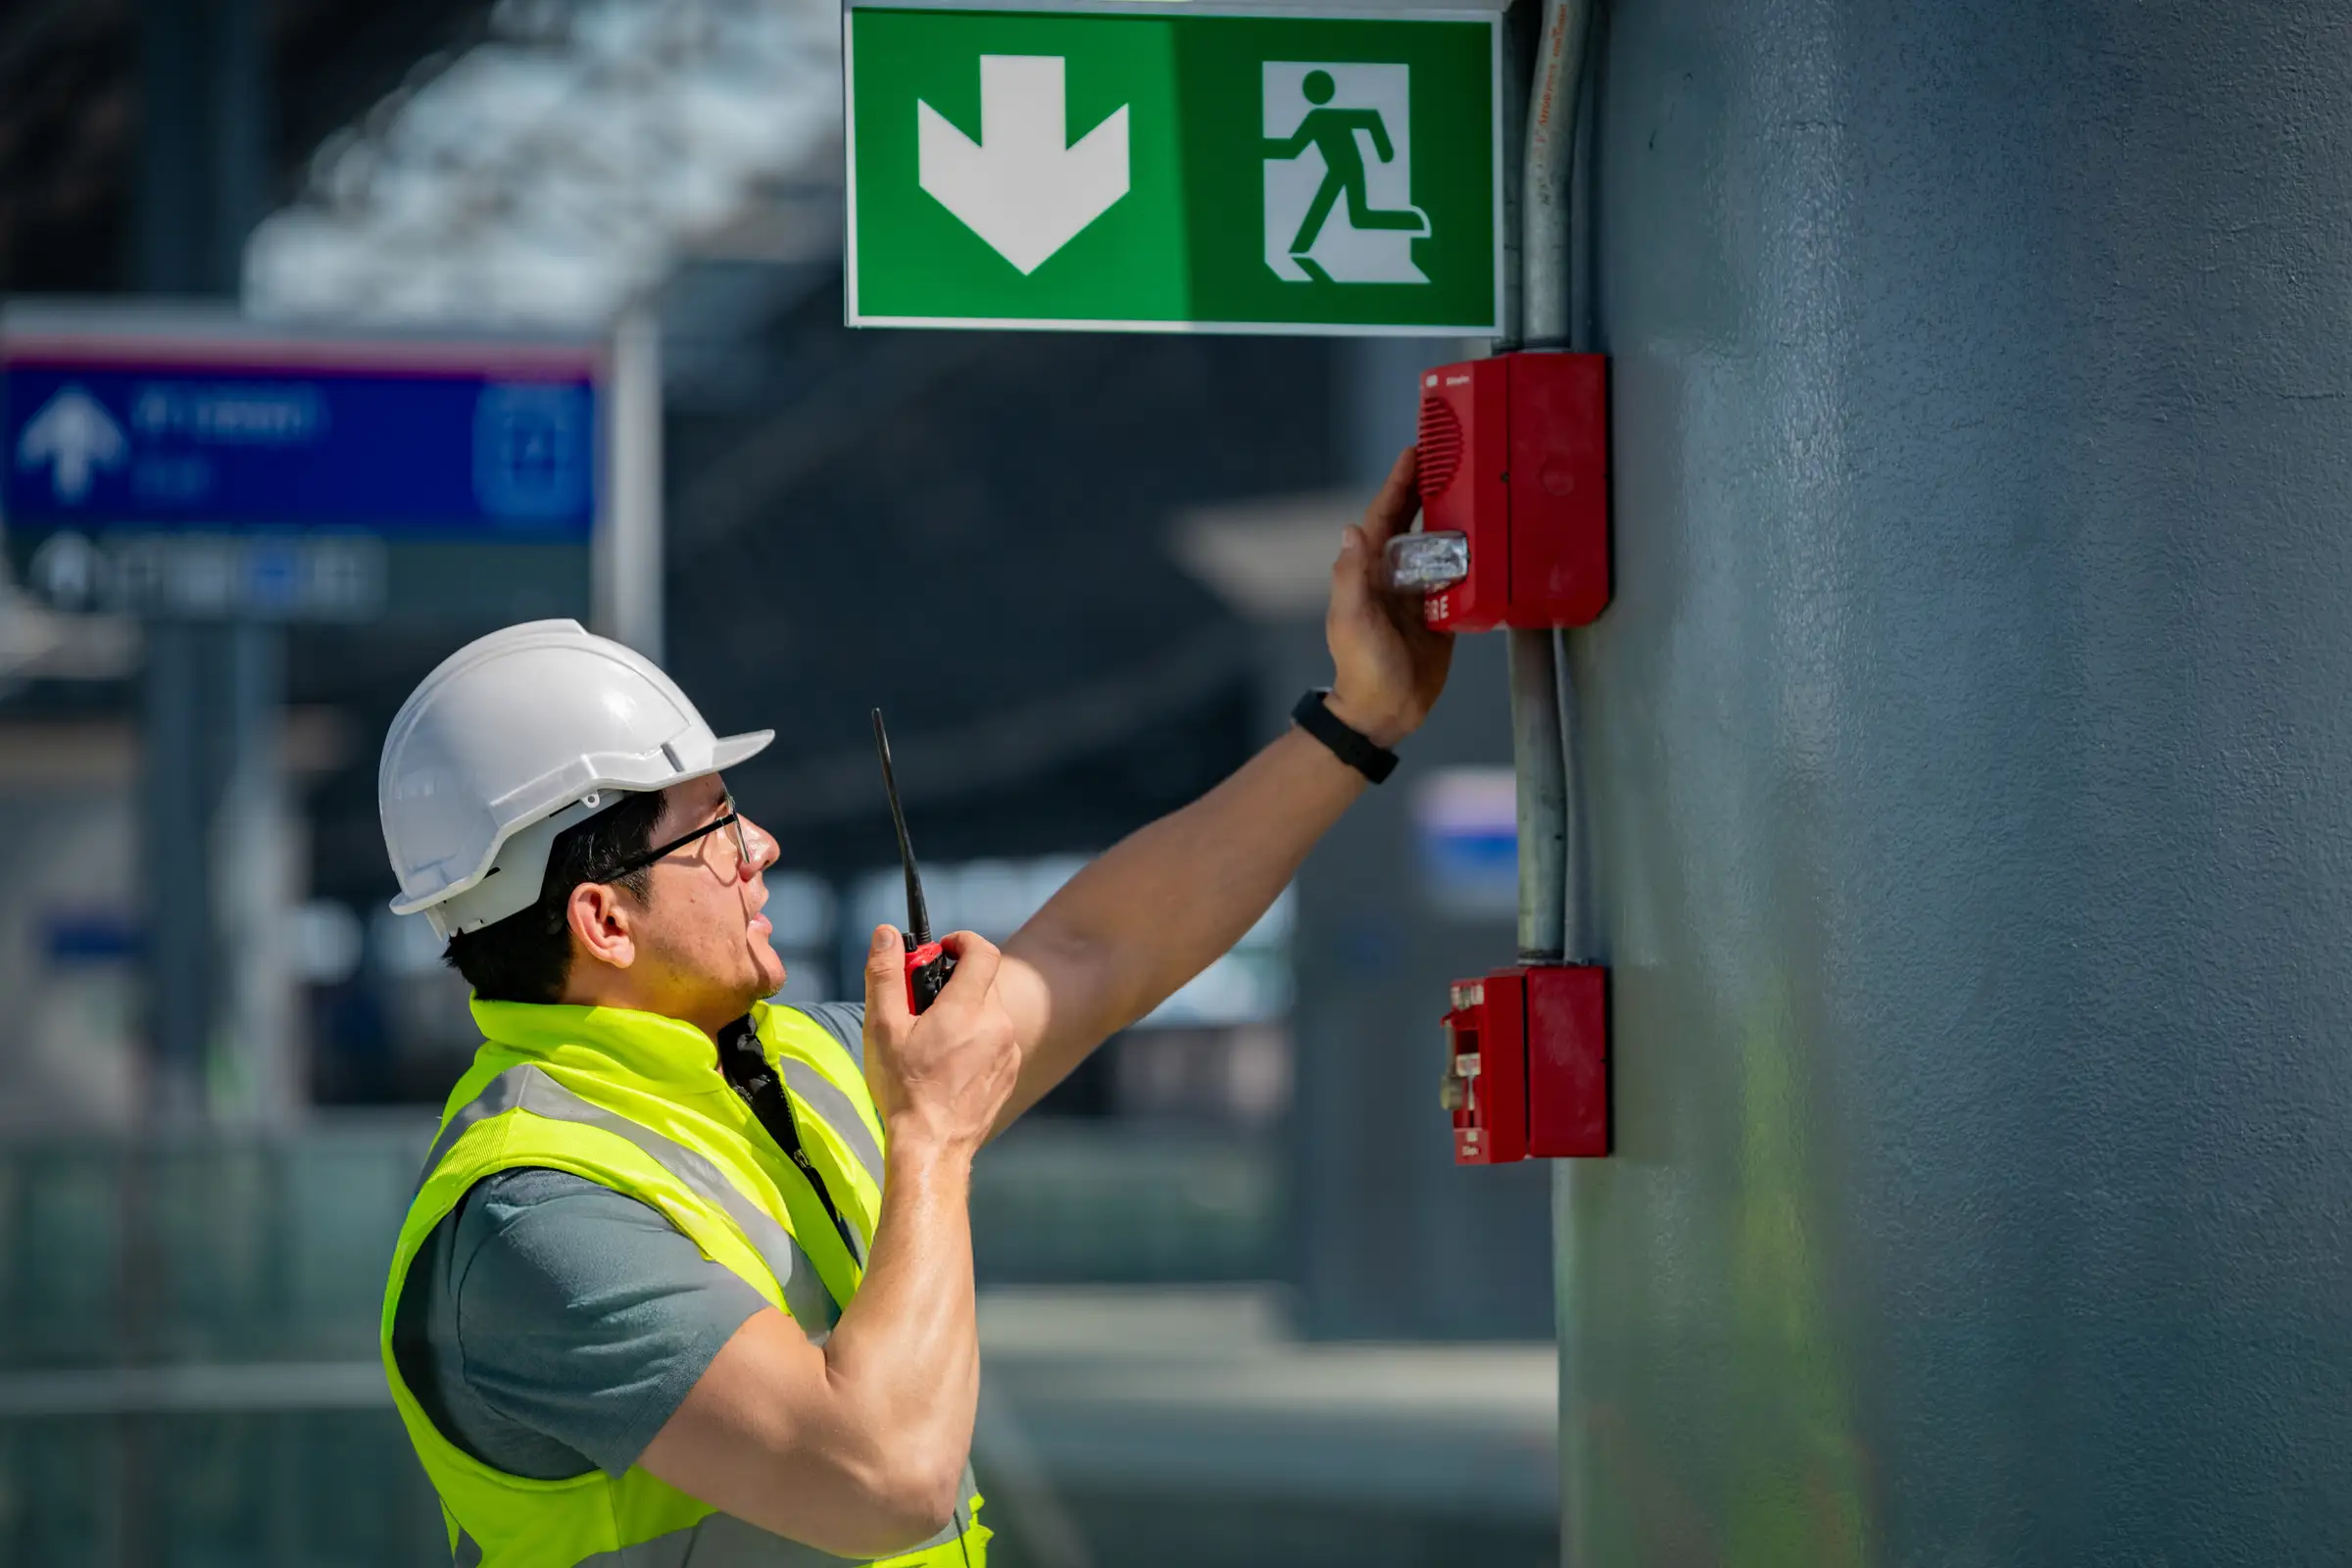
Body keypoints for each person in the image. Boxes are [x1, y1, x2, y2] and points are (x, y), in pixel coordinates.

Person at [377, 448, 1450, 1567]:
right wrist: (931, 1137)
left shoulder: (803, 1064)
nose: (761, 848)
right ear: (604, 920)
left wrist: (1353, 725)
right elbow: (884, 1477)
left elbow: (1100, 949)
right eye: (714, 827)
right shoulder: (535, 1222)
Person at [1265, 69, 1430, 263]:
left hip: (1349, 169)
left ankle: (1300, 248)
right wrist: (1259, 148)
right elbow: (1292, 149)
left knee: (1353, 215)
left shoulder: (1322, 117)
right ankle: (1411, 222)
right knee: (1359, 217)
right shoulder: (1316, 118)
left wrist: (1385, 151)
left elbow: (1371, 118)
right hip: (1339, 170)